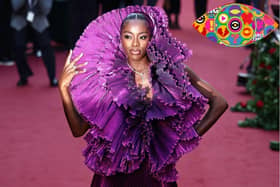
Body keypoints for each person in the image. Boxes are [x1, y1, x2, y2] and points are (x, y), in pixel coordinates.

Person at [59, 6, 228, 186]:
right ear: (120, 38)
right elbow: (78, 130)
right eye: (128, 36)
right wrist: (64, 89)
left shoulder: (172, 73)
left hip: (155, 176)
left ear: (151, 38)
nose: (134, 44)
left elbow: (219, 102)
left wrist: (184, 138)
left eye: (142, 37)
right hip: (114, 177)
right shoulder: (107, 80)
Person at [10, 0, 58, 87]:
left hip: (39, 18)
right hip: (20, 19)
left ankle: (52, 77)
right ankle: (23, 76)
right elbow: (15, 7)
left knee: (46, 46)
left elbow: (46, 10)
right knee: (18, 47)